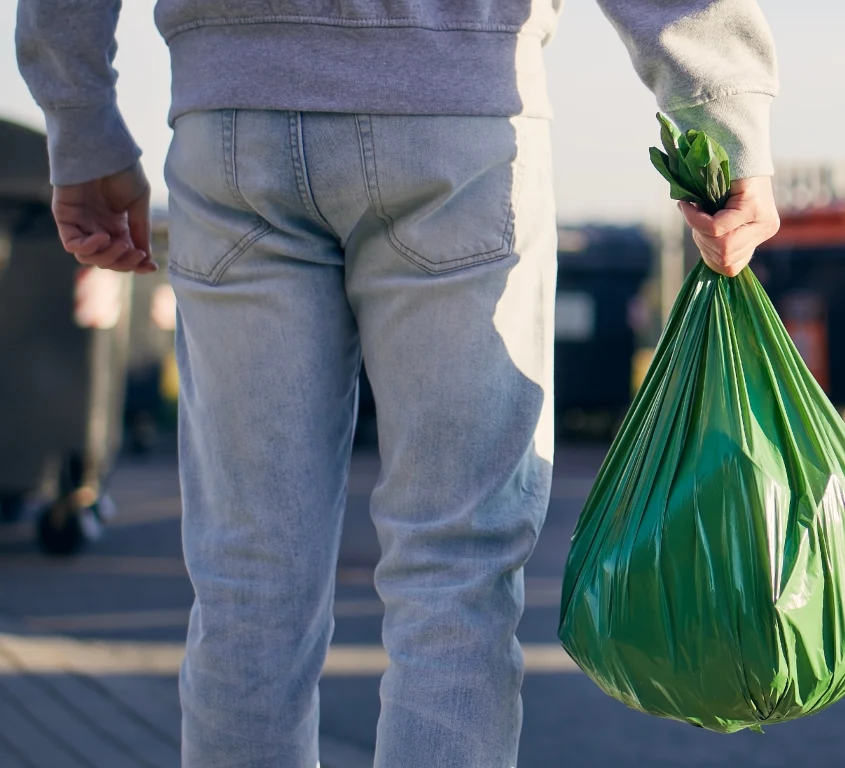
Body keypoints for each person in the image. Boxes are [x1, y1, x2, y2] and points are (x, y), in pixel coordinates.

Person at [16, 1, 780, 765]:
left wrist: (81, 121)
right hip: (459, 118)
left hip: (232, 116)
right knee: (456, 576)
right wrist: (725, 112)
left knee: (248, 581)